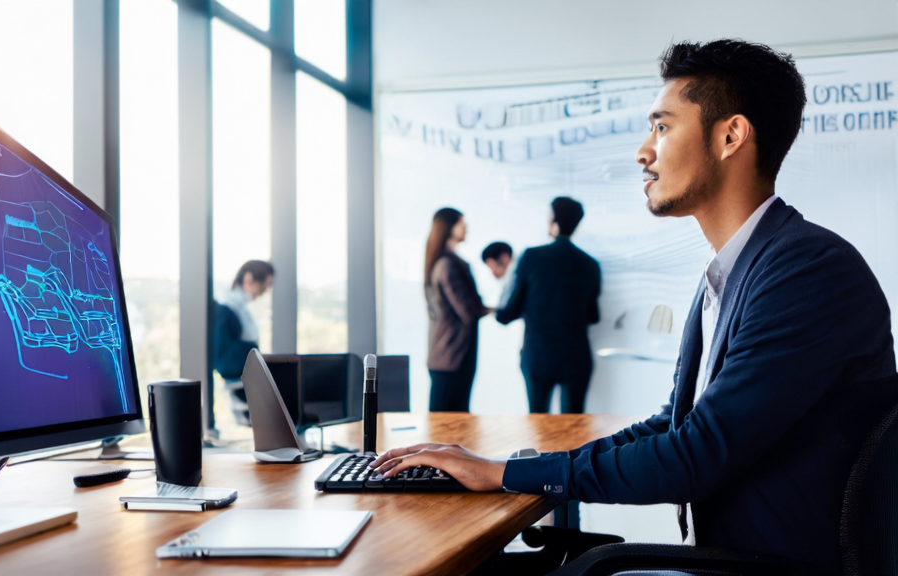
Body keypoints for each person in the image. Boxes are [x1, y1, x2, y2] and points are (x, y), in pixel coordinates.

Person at [371, 39, 897, 573]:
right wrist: (510, 467)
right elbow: (675, 424)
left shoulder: (806, 270)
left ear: (730, 136)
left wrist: (505, 474)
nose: (643, 151)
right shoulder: (737, 269)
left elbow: (694, 454)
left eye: (662, 127)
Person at [496, 197, 600, 414]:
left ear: (553, 220)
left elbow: (507, 312)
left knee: (538, 424)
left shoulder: (531, 256)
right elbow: (593, 315)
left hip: (539, 353)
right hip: (577, 355)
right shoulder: (590, 264)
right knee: (575, 430)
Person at [424, 208, 490, 412]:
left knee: (449, 423)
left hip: (448, 355)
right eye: (462, 222)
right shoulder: (448, 265)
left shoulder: (444, 262)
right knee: (449, 424)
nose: (466, 227)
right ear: (449, 227)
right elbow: (467, 310)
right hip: (453, 356)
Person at [212, 260, 274, 427]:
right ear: (249, 279)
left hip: (248, 385)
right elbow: (224, 359)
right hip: (241, 389)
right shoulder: (227, 309)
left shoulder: (239, 308)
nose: (266, 291)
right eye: (266, 284)